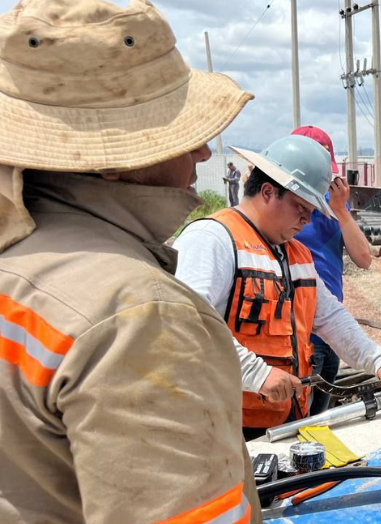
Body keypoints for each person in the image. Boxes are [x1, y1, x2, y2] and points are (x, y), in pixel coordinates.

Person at [0, 1, 260, 523]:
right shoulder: (141, 315)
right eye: (182, 134)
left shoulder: (19, 260)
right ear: (113, 159)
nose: (203, 154)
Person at [173, 134, 381, 439]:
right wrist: (258, 374)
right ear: (268, 191)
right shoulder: (212, 239)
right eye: (300, 207)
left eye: (312, 210)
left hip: (283, 424)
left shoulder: (295, 254)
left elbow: (330, 317)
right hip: (222, 429)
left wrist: (377, 362)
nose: (307, 219)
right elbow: (186, 325)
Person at [291, 125, 374, 415]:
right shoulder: (285, 210)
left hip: (329, 331)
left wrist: (340, 209)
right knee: (299, 419)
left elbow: (364, 258)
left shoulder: (332, 205)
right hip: (299, 333)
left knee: (320, 419)